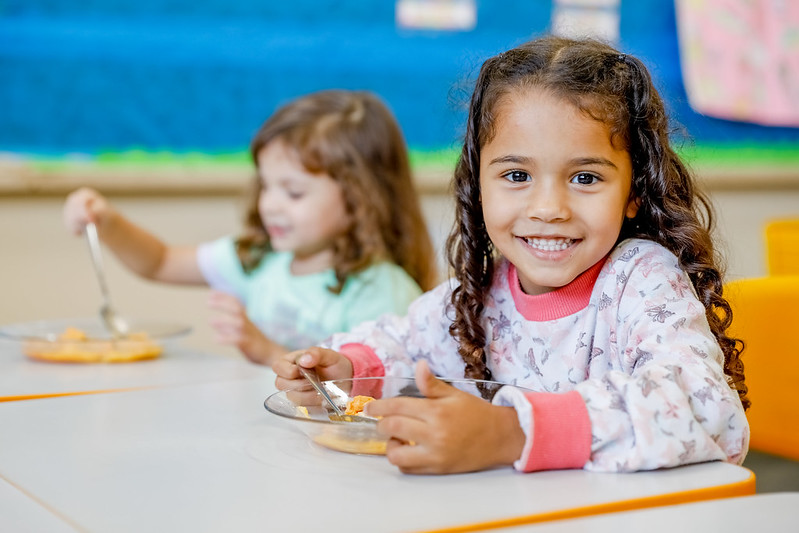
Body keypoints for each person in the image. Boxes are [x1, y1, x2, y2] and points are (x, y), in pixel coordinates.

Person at [273, 36, 750, 474]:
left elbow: (707, 409)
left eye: (585, 178)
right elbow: (403, 343)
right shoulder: (483, 293)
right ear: (477, 185)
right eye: (517, 176)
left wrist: (512, 433)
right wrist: (346, 373)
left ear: (633, 192)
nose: (548, 210)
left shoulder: (641, 279)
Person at [63, 90, 437, 365]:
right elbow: (159, 262)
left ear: (361, 200)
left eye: (293, 192)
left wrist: (268, 352)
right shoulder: (259, 259)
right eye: (266, 185)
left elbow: (368, 397)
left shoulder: (382, 292)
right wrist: (107, 221)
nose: (270, 204)